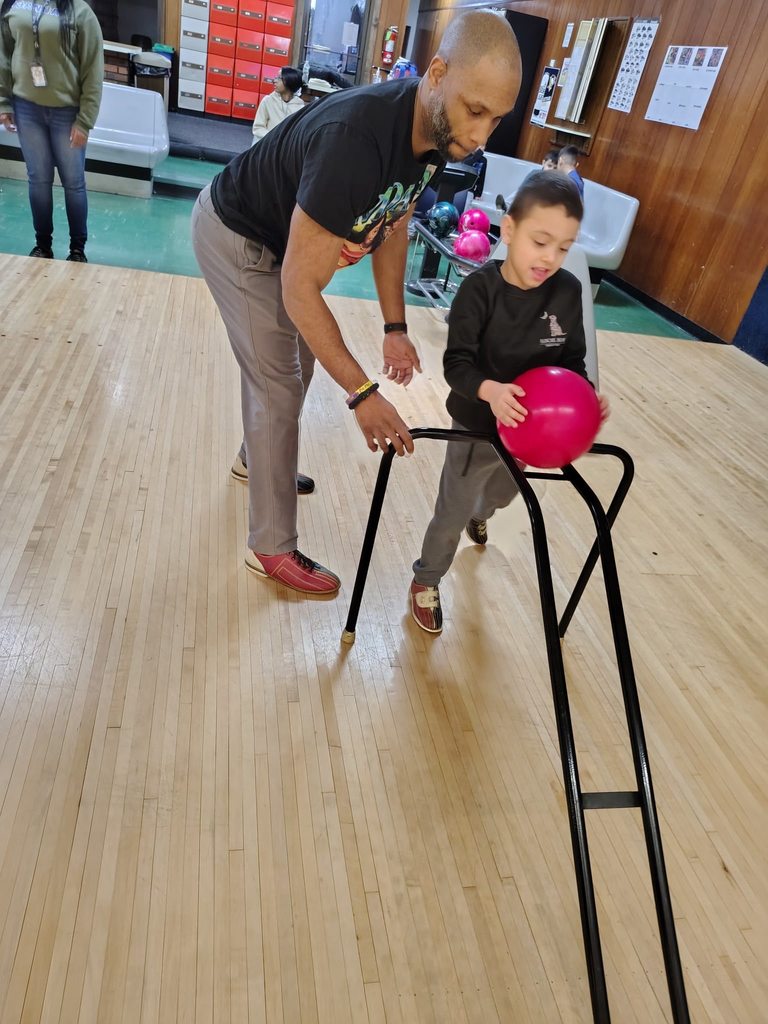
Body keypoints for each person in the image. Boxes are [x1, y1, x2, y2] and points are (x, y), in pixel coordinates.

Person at [191, 9, 521, 596]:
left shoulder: (435, 135)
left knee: (301, 360)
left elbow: (395, 219)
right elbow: (299, 288)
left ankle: (256, 459)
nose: (480, 136)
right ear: (437, 73)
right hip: (237, 235)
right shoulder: (356, 139)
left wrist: (395, 326)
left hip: (279, 245)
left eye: (496, 119)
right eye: (475, 111)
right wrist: (363, 393)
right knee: (278, 382)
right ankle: (270, 546)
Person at [409, 171, 609, 633]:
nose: (550, 257)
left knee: (503, 494)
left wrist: (584, 401)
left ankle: (482, 514)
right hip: (476, 424)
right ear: (511, 230)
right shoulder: (479, 290)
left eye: (564, 247)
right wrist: (492, 392)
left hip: (530, 432)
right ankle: (426, 579)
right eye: (541, 242)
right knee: (452, 510)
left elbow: (572, 360)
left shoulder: (567, 291)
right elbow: (456, 365)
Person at [0, 0, 103, 262]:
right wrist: (3, 102)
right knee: (38, 179)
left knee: (73, 181)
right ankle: (42, 246)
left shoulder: (80, 12)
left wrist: (85, 120)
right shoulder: (11, 5)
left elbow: (93, 69)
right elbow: (3, 55)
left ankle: (77, 249)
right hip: (26, 108)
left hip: (66, 111)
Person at [251, 66, 304, 143]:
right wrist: (274, 139)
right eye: (276, 77)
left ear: (290, 81)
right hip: (266, 144)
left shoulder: (300, 107)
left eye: (279, 78)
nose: (274, 81)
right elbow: (258, 128)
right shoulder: (268, 101)